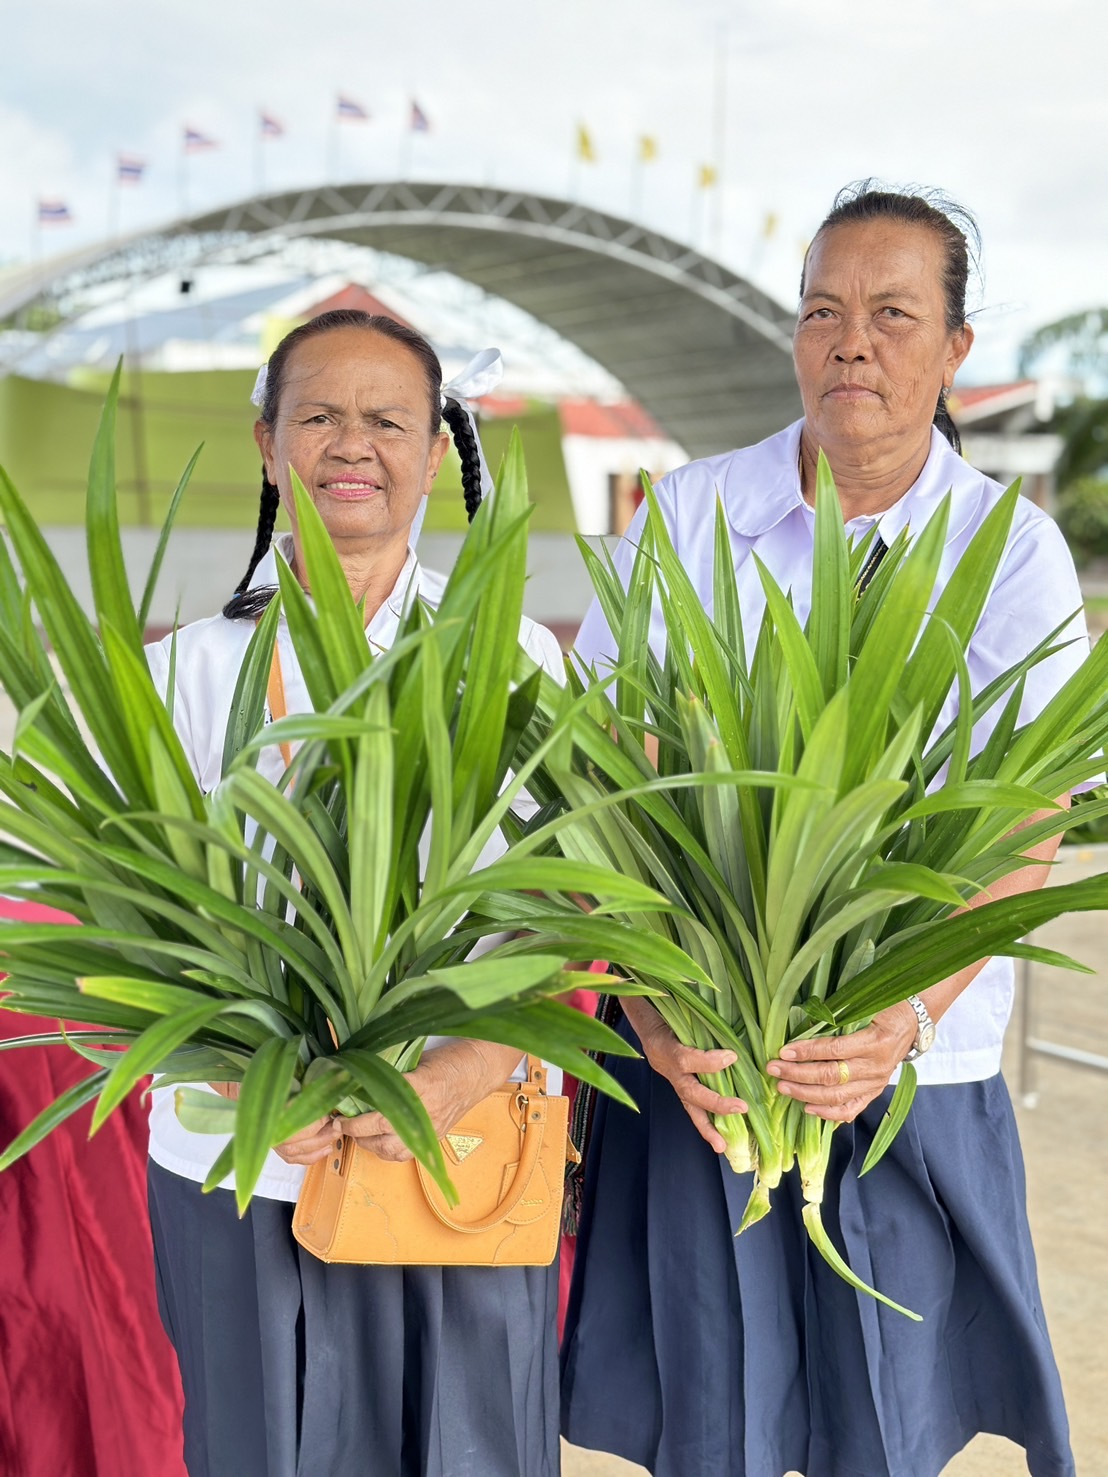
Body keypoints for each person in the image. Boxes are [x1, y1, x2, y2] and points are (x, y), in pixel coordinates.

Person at [561, 185, 1087, 1477]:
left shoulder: (1011, 553)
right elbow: (603, 789)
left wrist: (898, 1017)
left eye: (893, 313)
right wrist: (654, 1022)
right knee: (714, 1430)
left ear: (955, 348)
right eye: (823, 311)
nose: (851, 341)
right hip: (706, 1077)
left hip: (914, 1072)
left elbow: (1027, 819)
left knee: (886, 1434)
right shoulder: (688, 519)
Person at [144, 310, 566, 1477]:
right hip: (238, 1159)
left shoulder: (520, 662)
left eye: (387, 419)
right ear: (267, 443)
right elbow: (121, 918)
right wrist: (231, 1064)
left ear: (438, 451)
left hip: (450, 1151)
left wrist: (457, 1071)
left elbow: (580, 917)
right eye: (318, 415)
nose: (352, 445)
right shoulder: (186, 672)